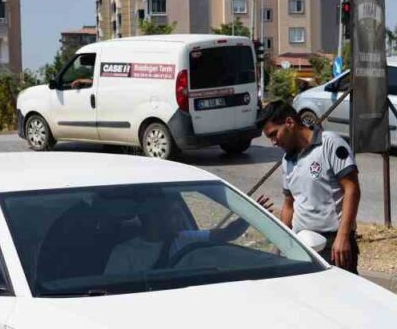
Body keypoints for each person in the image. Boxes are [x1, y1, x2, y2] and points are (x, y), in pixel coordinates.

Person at [257, 101, 361, 273]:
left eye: (274, 134)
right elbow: (289, 205)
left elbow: (352, 189)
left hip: (333, 245)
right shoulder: (286, 160)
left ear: (290, 123)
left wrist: (342, 237)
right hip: (302, 245)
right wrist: (280, 245)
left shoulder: (330, 143)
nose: (274, 142)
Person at [104, 193, 252, 274]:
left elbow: (226, 234)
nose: (180, 218)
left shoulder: (184, 239)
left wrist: (249, 217)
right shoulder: (124, 253)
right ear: (154, 217)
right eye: (174, 213)